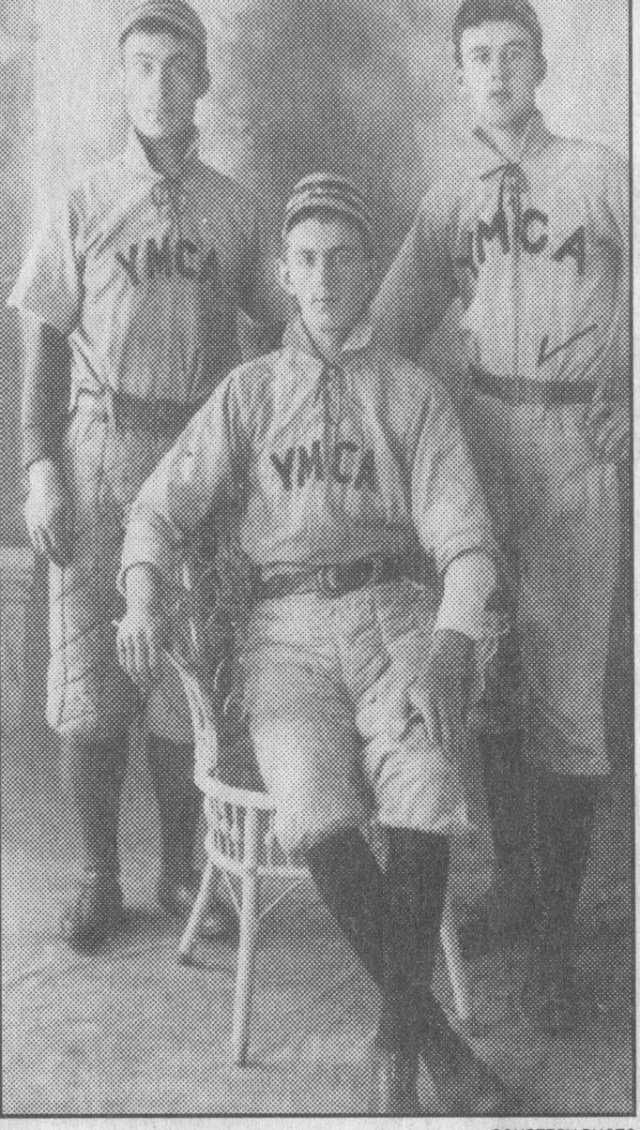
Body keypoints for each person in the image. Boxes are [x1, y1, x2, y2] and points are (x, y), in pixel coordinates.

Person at [116, 172, 518, 1114]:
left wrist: (453, 642)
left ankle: (394, 1042)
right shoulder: (249, 393)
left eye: (343, 259)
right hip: (284, 638)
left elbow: (467, 544)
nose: (326, 278)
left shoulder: (413, 396)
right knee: (316, 805)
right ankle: (432, 1046)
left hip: (394, 620)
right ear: (284, 277)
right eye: (306, 262)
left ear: (370, 269)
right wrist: (139, 599)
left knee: (423, 779)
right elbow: (155, 512)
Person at [372, 0, 629, 1034]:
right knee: (479, 681)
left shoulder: (601, 172)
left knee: (567, 692)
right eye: (477, 57)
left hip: (572, 447)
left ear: (541, 63)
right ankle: (516, 886)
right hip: (479, 442)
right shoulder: (449, 199)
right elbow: (387, 331)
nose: (496, 72)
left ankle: (558, 945)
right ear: (459, 75)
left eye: (512, 53)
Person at [8, 0, 278, 952]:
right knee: (90, 667)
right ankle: (97, 876)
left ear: (202, 80)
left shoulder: (235, 210)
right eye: (141, 67)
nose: (158, 84)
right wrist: (39, 466)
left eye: (176, 66)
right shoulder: (84, 200)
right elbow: (41, 339)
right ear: (123, 82)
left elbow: (284, 329)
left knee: (182, 666)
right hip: (98, 445)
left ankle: (181, 868)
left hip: (198, 458)